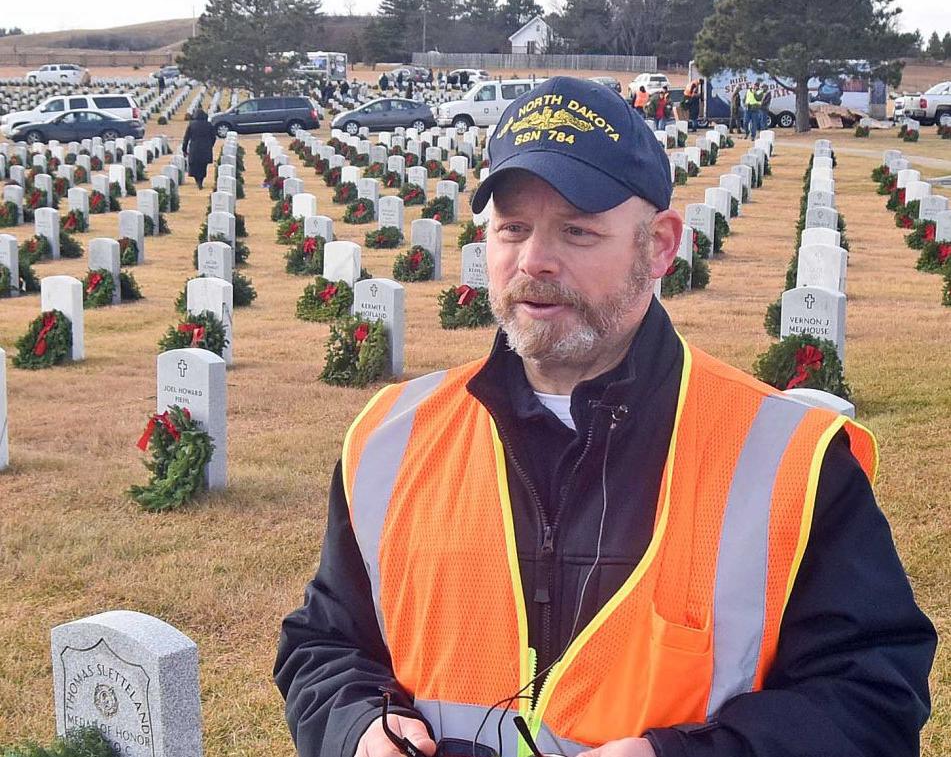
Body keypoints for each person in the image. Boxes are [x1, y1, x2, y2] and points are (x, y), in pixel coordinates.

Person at [275, 76, 935, 757]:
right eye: (513, 228)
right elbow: (324, 643)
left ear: (658, 246)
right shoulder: (391, 437)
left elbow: (872, 697)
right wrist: (358, 729)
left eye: (577, 231)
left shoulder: (787, 459)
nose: (533, 260)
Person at [181, 108, 215, 190]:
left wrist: (184, 149)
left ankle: (198, 181)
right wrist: (210, 145)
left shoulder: (191, 124)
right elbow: (213, 137)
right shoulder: (209, 125)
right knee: (203, 166)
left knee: (195, 166)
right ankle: (201, 181)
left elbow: (186, 138)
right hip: (205, 149)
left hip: (194, 148)